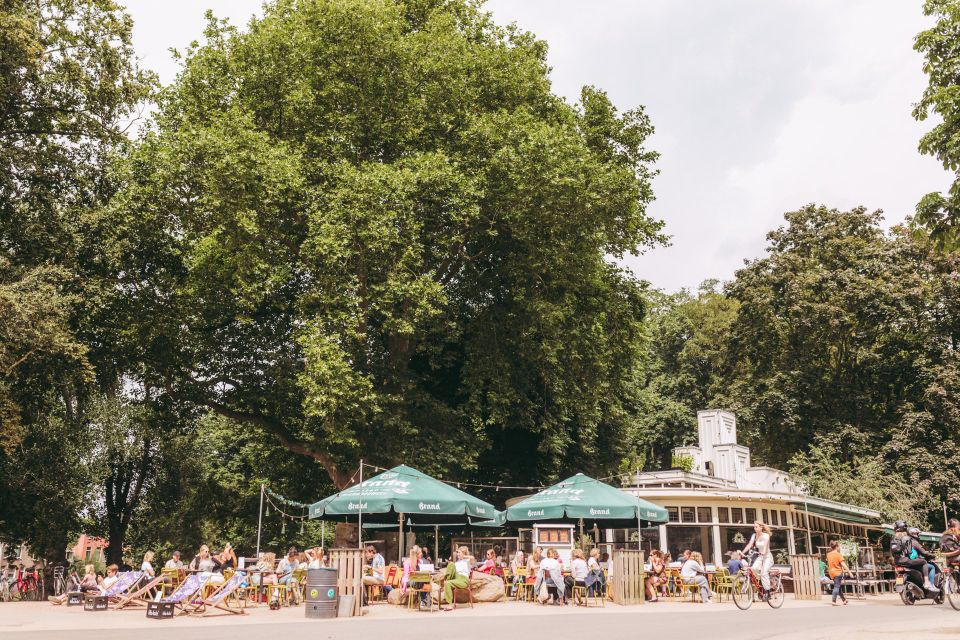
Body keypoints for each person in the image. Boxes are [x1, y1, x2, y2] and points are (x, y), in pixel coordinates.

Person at [890, 520, 938, 592]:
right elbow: (910, 553)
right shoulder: (907, 539)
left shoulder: (893, 539)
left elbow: (892, 552)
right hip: (907, 561)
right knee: (924, 562)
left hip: (897, 562)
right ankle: (926, 582)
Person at [742, 521, 773, 596]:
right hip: (760, 556)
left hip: (767, 557)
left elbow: (765, 545)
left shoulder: (766, 535)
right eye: (754, 527)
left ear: (761, 527)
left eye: (756, 527)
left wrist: (763, 552)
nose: (754, 528)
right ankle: (762, 584)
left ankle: (768, 591)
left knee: (764, 573)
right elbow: (750, 544)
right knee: (753, 569)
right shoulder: (754, 535)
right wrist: (743, 553)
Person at [441, 546, 472, 611]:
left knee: (448, 583)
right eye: (457, 553)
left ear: (464, 553)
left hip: (463, 580)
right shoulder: (457, 563)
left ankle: (449, 605)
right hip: (456, 578)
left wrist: (464, 556)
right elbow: (452, 572)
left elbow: (472, 558)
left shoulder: (467, 561)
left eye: (459, 553)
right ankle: (446, 582)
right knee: (451, 564)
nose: (457, 554)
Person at [826, 540, 849, 606]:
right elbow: (843, 564)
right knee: (836, 587)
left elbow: (829, 562)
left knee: (838, 586)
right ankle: (834, 601)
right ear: (836, 547)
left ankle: (844, 600)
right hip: (838, 572)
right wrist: (849, 572)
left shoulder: (828, 554)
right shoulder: (838, 555)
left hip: (831, 573)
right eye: (839, 546)